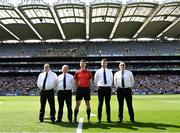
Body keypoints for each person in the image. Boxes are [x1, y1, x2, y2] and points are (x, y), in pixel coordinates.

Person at [94, 59, 113, 123]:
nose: (104, 64)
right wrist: (99, 86)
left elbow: (111, 79)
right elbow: (95, 80)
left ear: (107, 64)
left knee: (108, 104)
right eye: (103, 63)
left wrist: (108, 85)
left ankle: (108, 119)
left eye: (105, 63)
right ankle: (99, 119)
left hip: (108, 88)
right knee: (100, 104)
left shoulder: (110, 71)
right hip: (101, 88)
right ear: (101, 63)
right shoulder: (98, 71)